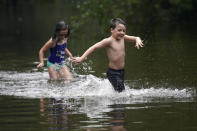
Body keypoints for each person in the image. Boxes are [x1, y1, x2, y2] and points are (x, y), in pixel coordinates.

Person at [72, 18, 143, 92]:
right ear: (112, 30)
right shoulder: (108, 41)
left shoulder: (123, 38)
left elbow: (135, 38)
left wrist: (137, 40)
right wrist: (82, 58)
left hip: (121, 71)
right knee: (121, 91)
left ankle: (114, 102)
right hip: (112, 73)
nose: (122, 33)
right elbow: (93, 47)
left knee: (119, 92)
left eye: (124, 31)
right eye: (119, 30)